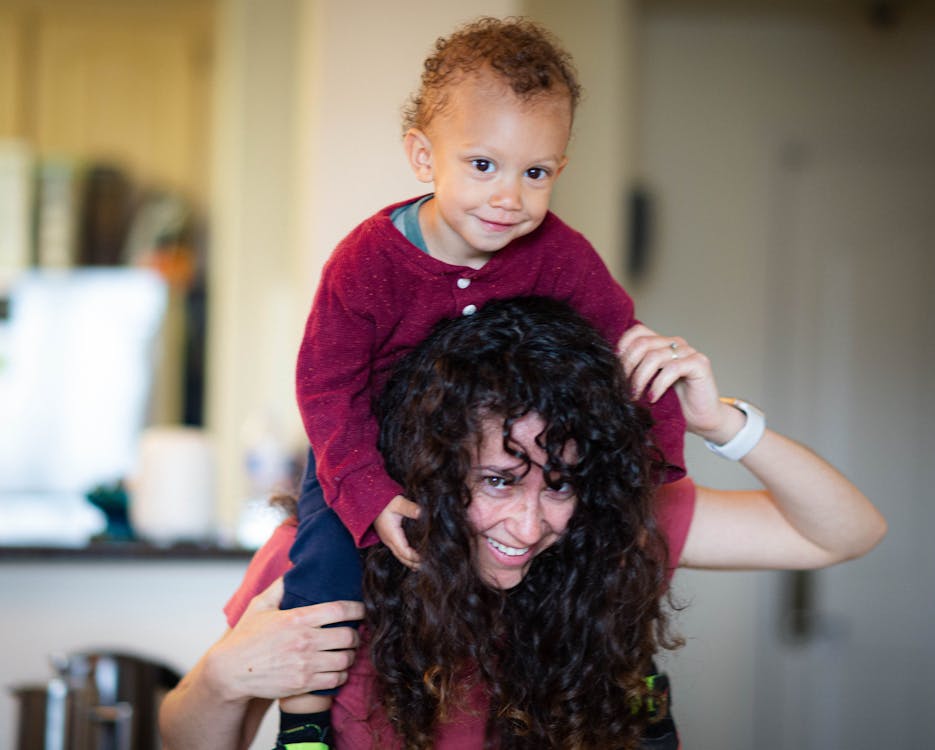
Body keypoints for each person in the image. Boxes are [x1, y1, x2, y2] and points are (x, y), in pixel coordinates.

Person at [159, 297, 887, 749]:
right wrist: (221, 681)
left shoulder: (610, 531)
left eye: (560, 484)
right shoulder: (319, 558)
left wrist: (718, 423)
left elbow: (845, 531)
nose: (531, 523)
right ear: (432, 467)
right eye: (499, 481)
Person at [280, 16, 687, 747]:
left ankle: (637, 681)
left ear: (558, 170)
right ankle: (303, 725)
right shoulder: (364, 262)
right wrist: (368, 498)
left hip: (477, 456)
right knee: (322, 566)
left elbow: (627, 352)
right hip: (364, 445)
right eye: (482, 166)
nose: (508, 198)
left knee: (618, 546)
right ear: (421, 156)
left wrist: (653, 458)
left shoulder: (561, 255)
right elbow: (324, 389)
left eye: (534, 173)